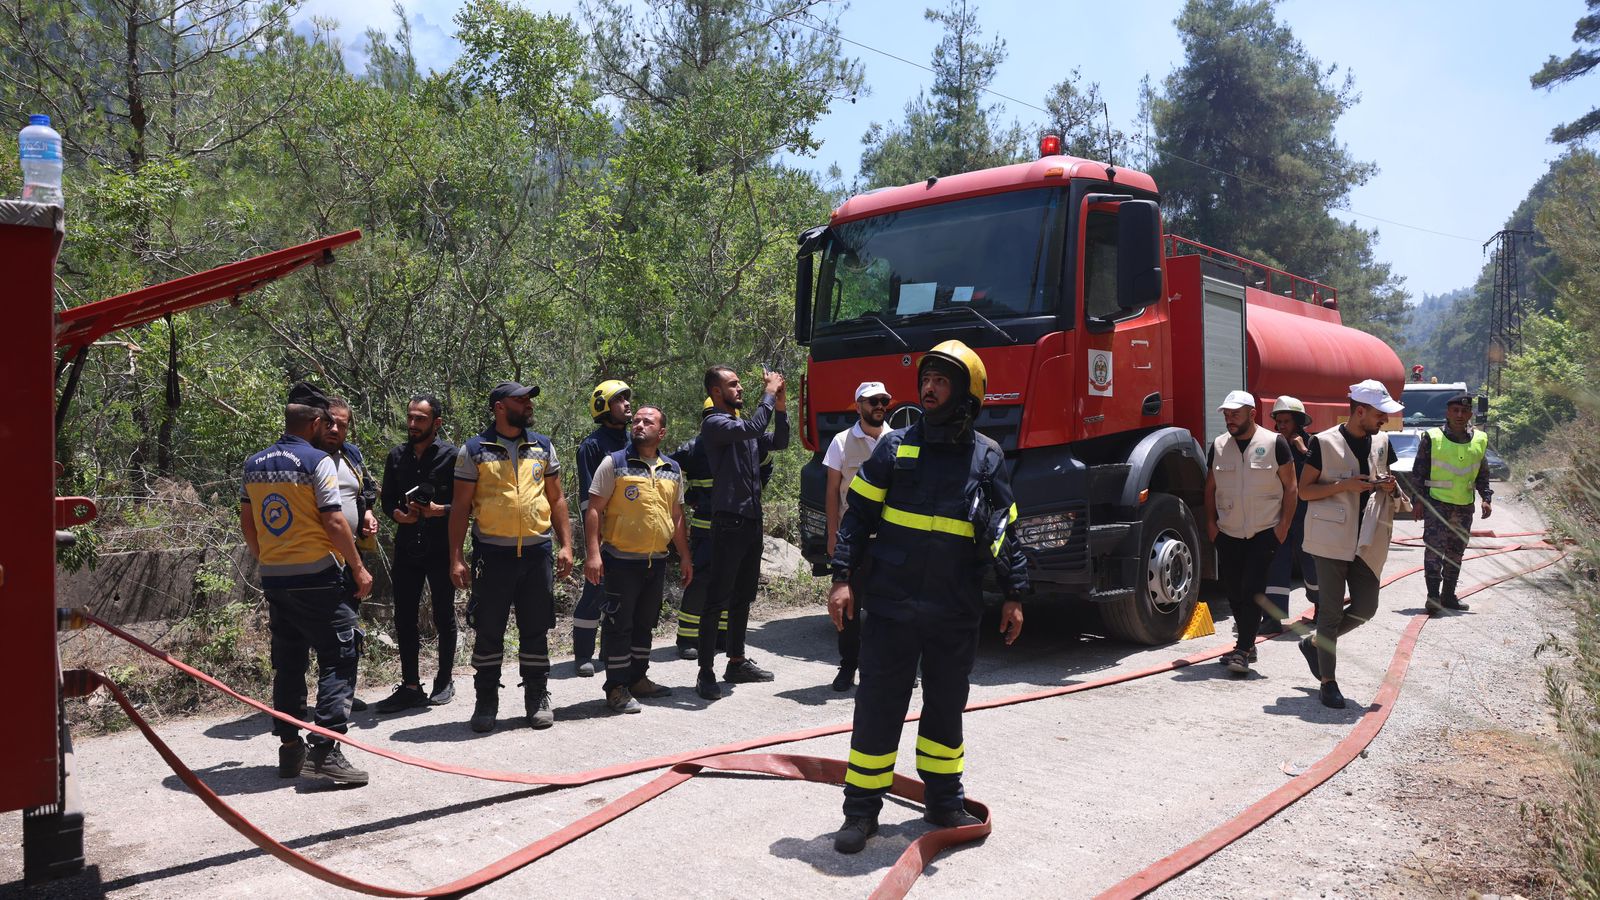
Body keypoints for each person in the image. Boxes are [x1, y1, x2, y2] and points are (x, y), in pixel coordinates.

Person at [826, 341, 1029, 855]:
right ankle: (861, 812)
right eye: (927, 379)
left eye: (942, 380)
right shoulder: (895, 447)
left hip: (954, 609)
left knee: (945, 710)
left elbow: (1006, 531)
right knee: (877, 705)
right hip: (894, 606)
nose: (929, 388)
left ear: (967, 393)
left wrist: (1014, 594)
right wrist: (842, 577)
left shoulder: (987, 456)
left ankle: (943, 801)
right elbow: (856, 517)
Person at [238, 382, 373, 785]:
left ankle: (290, 748)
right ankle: (326, 752)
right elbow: (333, 520)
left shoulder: (254, 463)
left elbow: (248, 522)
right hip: (318, 575)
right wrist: (357, 567)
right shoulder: (318, 462)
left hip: (276, 578)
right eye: (325, 422)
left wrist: (267, 557)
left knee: (290, 661)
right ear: (315, 422)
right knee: (340, 654)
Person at [449, 381, 575, 733]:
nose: (528, 405)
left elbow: (557, 498)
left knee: (536, 628)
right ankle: (486, 698)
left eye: (529, 399)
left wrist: (566, 545)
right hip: (493, 555)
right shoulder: (474, 450)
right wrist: (456, 557)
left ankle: (536, 696)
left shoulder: (543, 446)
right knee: (489, 630)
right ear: (500, 406)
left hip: (537, 552)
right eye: (521, 400)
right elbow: (459, 507)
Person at [1297, 379, 1409, 709]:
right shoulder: (1324, 442)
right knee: (1329, 614)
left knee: (1366, 608)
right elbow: (1305, 491)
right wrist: (1344, 485)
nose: (1384, 420)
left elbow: (1388, 477)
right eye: (1379, 414)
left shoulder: (1382, 442)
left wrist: (1389, 486)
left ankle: (1314, 643)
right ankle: (1328, 682)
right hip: (1330, 539)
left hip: (1367, 539)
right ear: (1360, 411)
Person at [584, 406, 693, 714]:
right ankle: (616, 688)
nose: (639, 424)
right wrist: (593, 554)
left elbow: (676, 516)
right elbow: (594, 510)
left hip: (655, 561)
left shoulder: (672, 468)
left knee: (645, 624)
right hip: (620, 561)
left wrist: (684, 556)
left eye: (648, 421)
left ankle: (638, 679)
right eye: (636, 420)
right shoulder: (614, 462)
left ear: (662, 432)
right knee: (619, 625)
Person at [695, 365, 789, 699]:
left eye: (739, 384)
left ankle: (736, 661)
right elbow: (753, 426)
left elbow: (779, 440)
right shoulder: (716, 424)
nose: (740, 389)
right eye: (733, 385)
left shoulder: (740, 428)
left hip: (751, 521)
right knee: (717, 599)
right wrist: (768, 391)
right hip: (728, 522)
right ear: (716, 392)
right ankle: (705, 672)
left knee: (743, 597)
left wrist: (779, 404)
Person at [375, 394, 459, 712]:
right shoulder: (397, 456)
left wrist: (440, 510)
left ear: (436, 423)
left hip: (440, 547)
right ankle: (411, 685)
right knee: (404, 617)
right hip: (407, 547)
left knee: (443, 614)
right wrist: (399, 515)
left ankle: (444, 680)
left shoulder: (452, 456)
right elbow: (387, 502)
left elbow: (469, 505)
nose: (412, 424)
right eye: (410, 417)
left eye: (420, 419)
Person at [1204, 390, 1297, 675]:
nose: (1230, 420)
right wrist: (1211, 524)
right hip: (1228, 531)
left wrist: (1282, 528)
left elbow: (1291, 488)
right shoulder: (1219, 446)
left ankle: (1242, 650)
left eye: (1235, 414)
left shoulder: (1274, 443)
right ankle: (1248, 643)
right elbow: (1210, 488)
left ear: (1252, 414)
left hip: (1264, 530)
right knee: (1233, 590)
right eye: (1227, 415)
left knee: (1253, 589)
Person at [821, 381, 891, 691]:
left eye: (883, 400)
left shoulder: (897, 440)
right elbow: (833, 491)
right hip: (854, 538)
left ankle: (893, 666)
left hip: (891, 538)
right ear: (858, 405)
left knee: (891, 608)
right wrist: (833, 535)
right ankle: (848, 666)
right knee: (849, 608)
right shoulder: (840, 441)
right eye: (872, 400)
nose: (879, 405)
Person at [1412, 391, 1493, 614]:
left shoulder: (1480, 439)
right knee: (1434, 551)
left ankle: (1448, 596)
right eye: (1455, 410)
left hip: (1464, 506)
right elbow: (1418, 472)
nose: (1459, 415)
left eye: (1464, 411)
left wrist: (1486, 497)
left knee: (1456, 552)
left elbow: (1482, 473)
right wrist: (1417, 501)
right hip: (1436, 504)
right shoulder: (1432, 437)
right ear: (1448, 412)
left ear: (1470, 414)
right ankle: (1433, 597)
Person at [572, 380, 633, 677]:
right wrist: (592, 547)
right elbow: (588, 502)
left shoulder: (635, 442)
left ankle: (611, 652)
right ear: (603, 407)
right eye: (619, 400)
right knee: (594, 592)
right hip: (604, 535)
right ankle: (583, 654)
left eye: (627, 399)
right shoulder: (592, 446)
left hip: (629, 535)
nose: (627, 404)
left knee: (620, 596)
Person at [323, 396, 379, 711]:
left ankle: (343, 694)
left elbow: (367, 488)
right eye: (329, 422)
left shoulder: (351, 454)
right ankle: (305, 700)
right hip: (316, 556)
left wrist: (368, 513)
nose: (334, 429)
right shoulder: (309, 457)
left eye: (341, 425)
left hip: (351, 554)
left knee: (349, 624)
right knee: (319, 628)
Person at [1261, 395, 1320, 634]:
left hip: (1306, 514)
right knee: (1276, 563)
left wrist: (1302, 449)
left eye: (1287, 421)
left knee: (1312, 563)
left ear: (1298, 422)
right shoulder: (1271, 444)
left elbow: (1320, 474)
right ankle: (1272, 618)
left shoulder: (1313, 444)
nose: (1282, 425)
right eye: (1279, 421)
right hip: (1279, 513)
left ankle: (1321, 607)